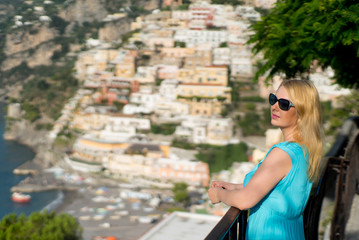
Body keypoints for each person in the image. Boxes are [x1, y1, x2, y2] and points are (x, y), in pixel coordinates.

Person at [208, 79, 324, 240]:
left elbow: (245, 200)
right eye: (273, 99)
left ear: (302, 112)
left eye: (284, 104)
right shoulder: (303, 149)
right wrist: (235, 187)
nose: (275, 106)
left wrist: (219, 195)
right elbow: (278, 188)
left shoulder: (283, 153)